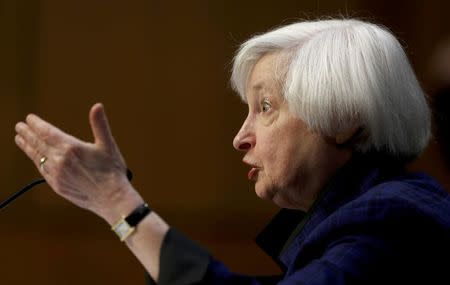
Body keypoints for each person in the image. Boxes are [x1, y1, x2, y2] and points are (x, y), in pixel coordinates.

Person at [14, 18, 450, 285]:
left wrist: (118, 203)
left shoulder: (392, 219)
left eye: (265, 107)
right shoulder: (381, 210)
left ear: (344, 120)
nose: (240, 138)